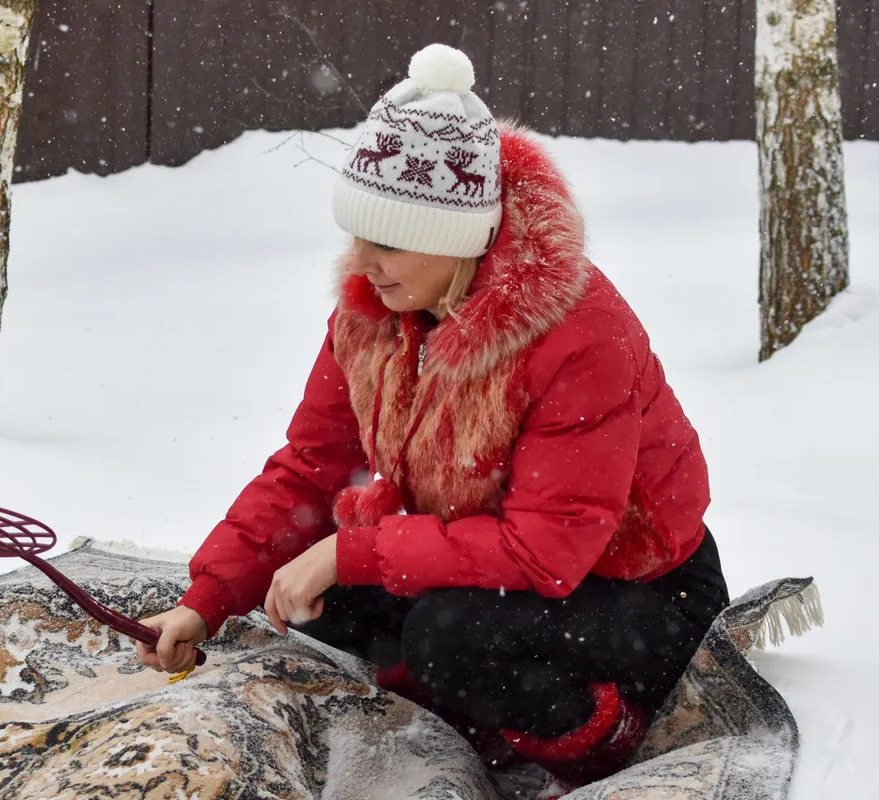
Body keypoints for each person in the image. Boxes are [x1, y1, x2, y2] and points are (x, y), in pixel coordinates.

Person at [134, 43, 729, 786]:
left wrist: (352, 552)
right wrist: (206, 601)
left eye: (387, 242)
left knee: (449, 635)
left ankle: (605, 736)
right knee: (311, 598)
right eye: (356, 235)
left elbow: (548, 550)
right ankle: (463, 714)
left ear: (457, 238)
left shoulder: (577, 333)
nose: (362, 261)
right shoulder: (375, 309)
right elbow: (312, 468)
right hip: (493, 559)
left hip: (634, 588)